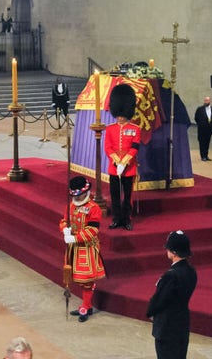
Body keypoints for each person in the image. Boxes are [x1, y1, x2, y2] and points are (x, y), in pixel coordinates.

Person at [60, 176, 106, 323]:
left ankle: (86, 306)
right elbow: (64, 220)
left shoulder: (94, 208)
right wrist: (64, 229)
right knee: (75, 278)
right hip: (73, 247)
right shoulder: (71, 205)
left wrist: (75, 237)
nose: (77, 197)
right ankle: (87, 304)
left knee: (86, 280)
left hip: (86, 247)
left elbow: (93, 230)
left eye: (79, 195)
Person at [146, 230, 198, 359]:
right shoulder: (191, 271)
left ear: (174, 252)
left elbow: (159, 300)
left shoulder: (171, 276)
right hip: (182, 325)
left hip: (167, 327)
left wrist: (150, 311)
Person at [104, 84, 141, 231]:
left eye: (122, 115)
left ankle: (126, 219)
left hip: (129, 168)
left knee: (127, 196)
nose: (119, 118)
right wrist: (115, 160)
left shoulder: (135, 129)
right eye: (118, 115)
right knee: (115, 195)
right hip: (114, 168)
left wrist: (125, 161)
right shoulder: (110, 129)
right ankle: (116, 218)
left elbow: (135, 147)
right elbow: (108, 147)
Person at [193, 96, 212, 161]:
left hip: (209, 129)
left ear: (210, 101)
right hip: (202, 129)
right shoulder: (200, 109)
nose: (206, 102)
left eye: (207, 100)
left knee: (207, 142)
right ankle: (202, 156)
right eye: (205, 100)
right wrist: (200, 124)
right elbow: (196, 118)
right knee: (202, 142)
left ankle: (206, 155)